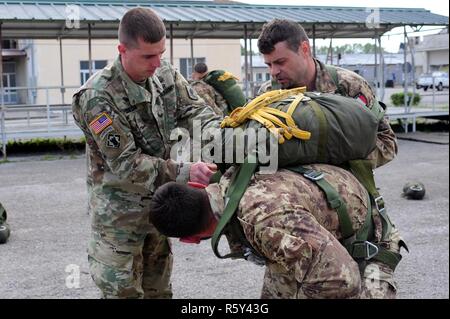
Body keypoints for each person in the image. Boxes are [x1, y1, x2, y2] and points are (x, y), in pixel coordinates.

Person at [71, 7, 221, 299]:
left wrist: (220, 136)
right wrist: (187, 171)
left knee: (160, 292)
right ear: (122, 50)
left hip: (157, 211)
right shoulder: (97, 98)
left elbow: (194, 109)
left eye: (161, 54)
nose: (156, 64)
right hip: (119, 221)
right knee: (124, 293)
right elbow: (126, 164)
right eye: (148, 57)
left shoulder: (164, 73)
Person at [149, 164, 405, 299]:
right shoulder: (230, 178)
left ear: (190, 240)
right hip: (324, 226)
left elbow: (342, 280)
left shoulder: (263, 223)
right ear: (196, 185)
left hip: (369, 239)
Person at [257, 19, 397, 169]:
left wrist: (340, 163)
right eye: (269, 65)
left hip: (343, 186)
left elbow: (387, 141)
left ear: (304, 49)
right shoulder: (268, 95)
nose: (273, 72)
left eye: (281, 62)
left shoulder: (348, 86)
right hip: (289, 187)